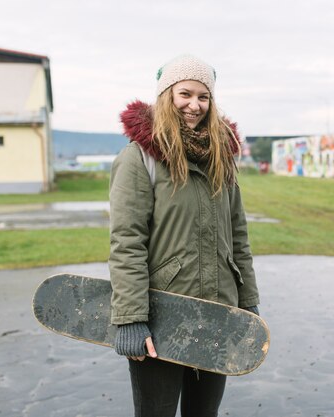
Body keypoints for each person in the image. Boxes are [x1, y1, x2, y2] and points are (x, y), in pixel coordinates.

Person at [109, 54, 260, 417]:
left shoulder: (222, 157)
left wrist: (248, 302)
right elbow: (127, 242)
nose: (194, 105)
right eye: (185, 94)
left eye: (203, 97)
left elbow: (238, 236)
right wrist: (131, 317)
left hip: (216, 312)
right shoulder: (139, 158)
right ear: (167, 95)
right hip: (163, 316)